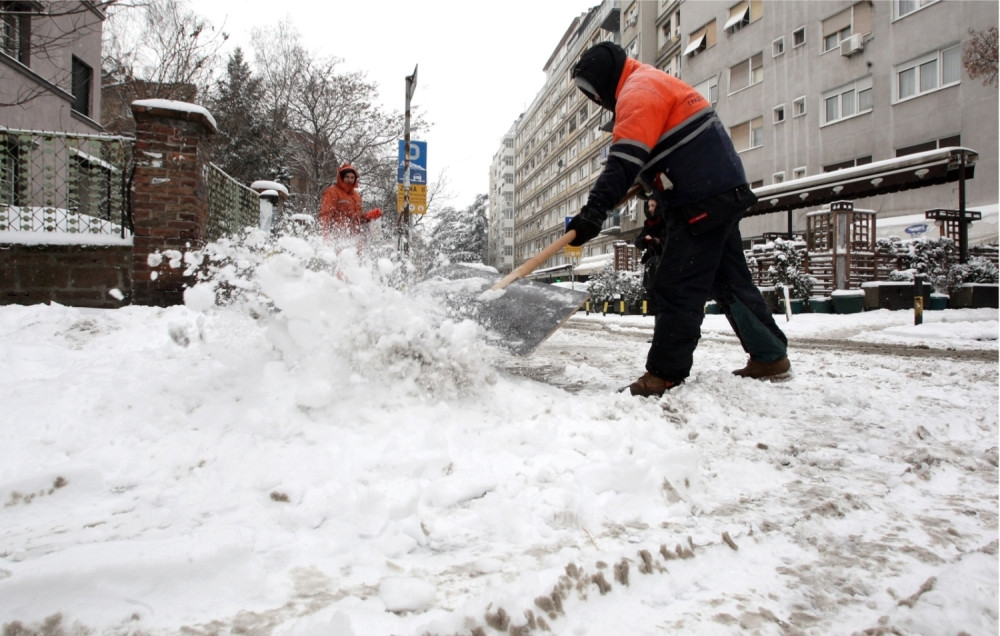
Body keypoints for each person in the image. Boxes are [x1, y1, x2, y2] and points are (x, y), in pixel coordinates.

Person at [566, 42, 790, 397]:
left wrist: (592, 213)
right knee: (729, 279)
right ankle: (770, 355)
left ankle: (665, 373)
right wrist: (647, 179)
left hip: (699, 198)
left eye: (594, 91)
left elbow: (623, 161)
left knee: (677, 283)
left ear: (607, 78)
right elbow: (662, 149)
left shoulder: (638, 91)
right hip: (720, 189)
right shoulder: (650, 82)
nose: (595, 100)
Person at [318, 163, 382, 240]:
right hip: (336, 237)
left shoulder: (357, 196)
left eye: (352, 177)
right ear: (341, 177)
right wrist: (325, 234)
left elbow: (357, 219)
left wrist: (368, 216)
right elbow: (325, 214)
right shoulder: (332, 192)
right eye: (347, 177)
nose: (350, 180)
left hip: (355, 239)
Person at [634, 197, 665, 303]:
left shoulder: (666, 221)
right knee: (652, 295)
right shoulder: (647, 224)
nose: (650, 209)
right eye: (649, 206)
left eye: (653, 206)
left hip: (665, 264)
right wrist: (644, 240)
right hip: (652, 265)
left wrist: (658, 241)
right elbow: (637, 242)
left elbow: (673, 240)